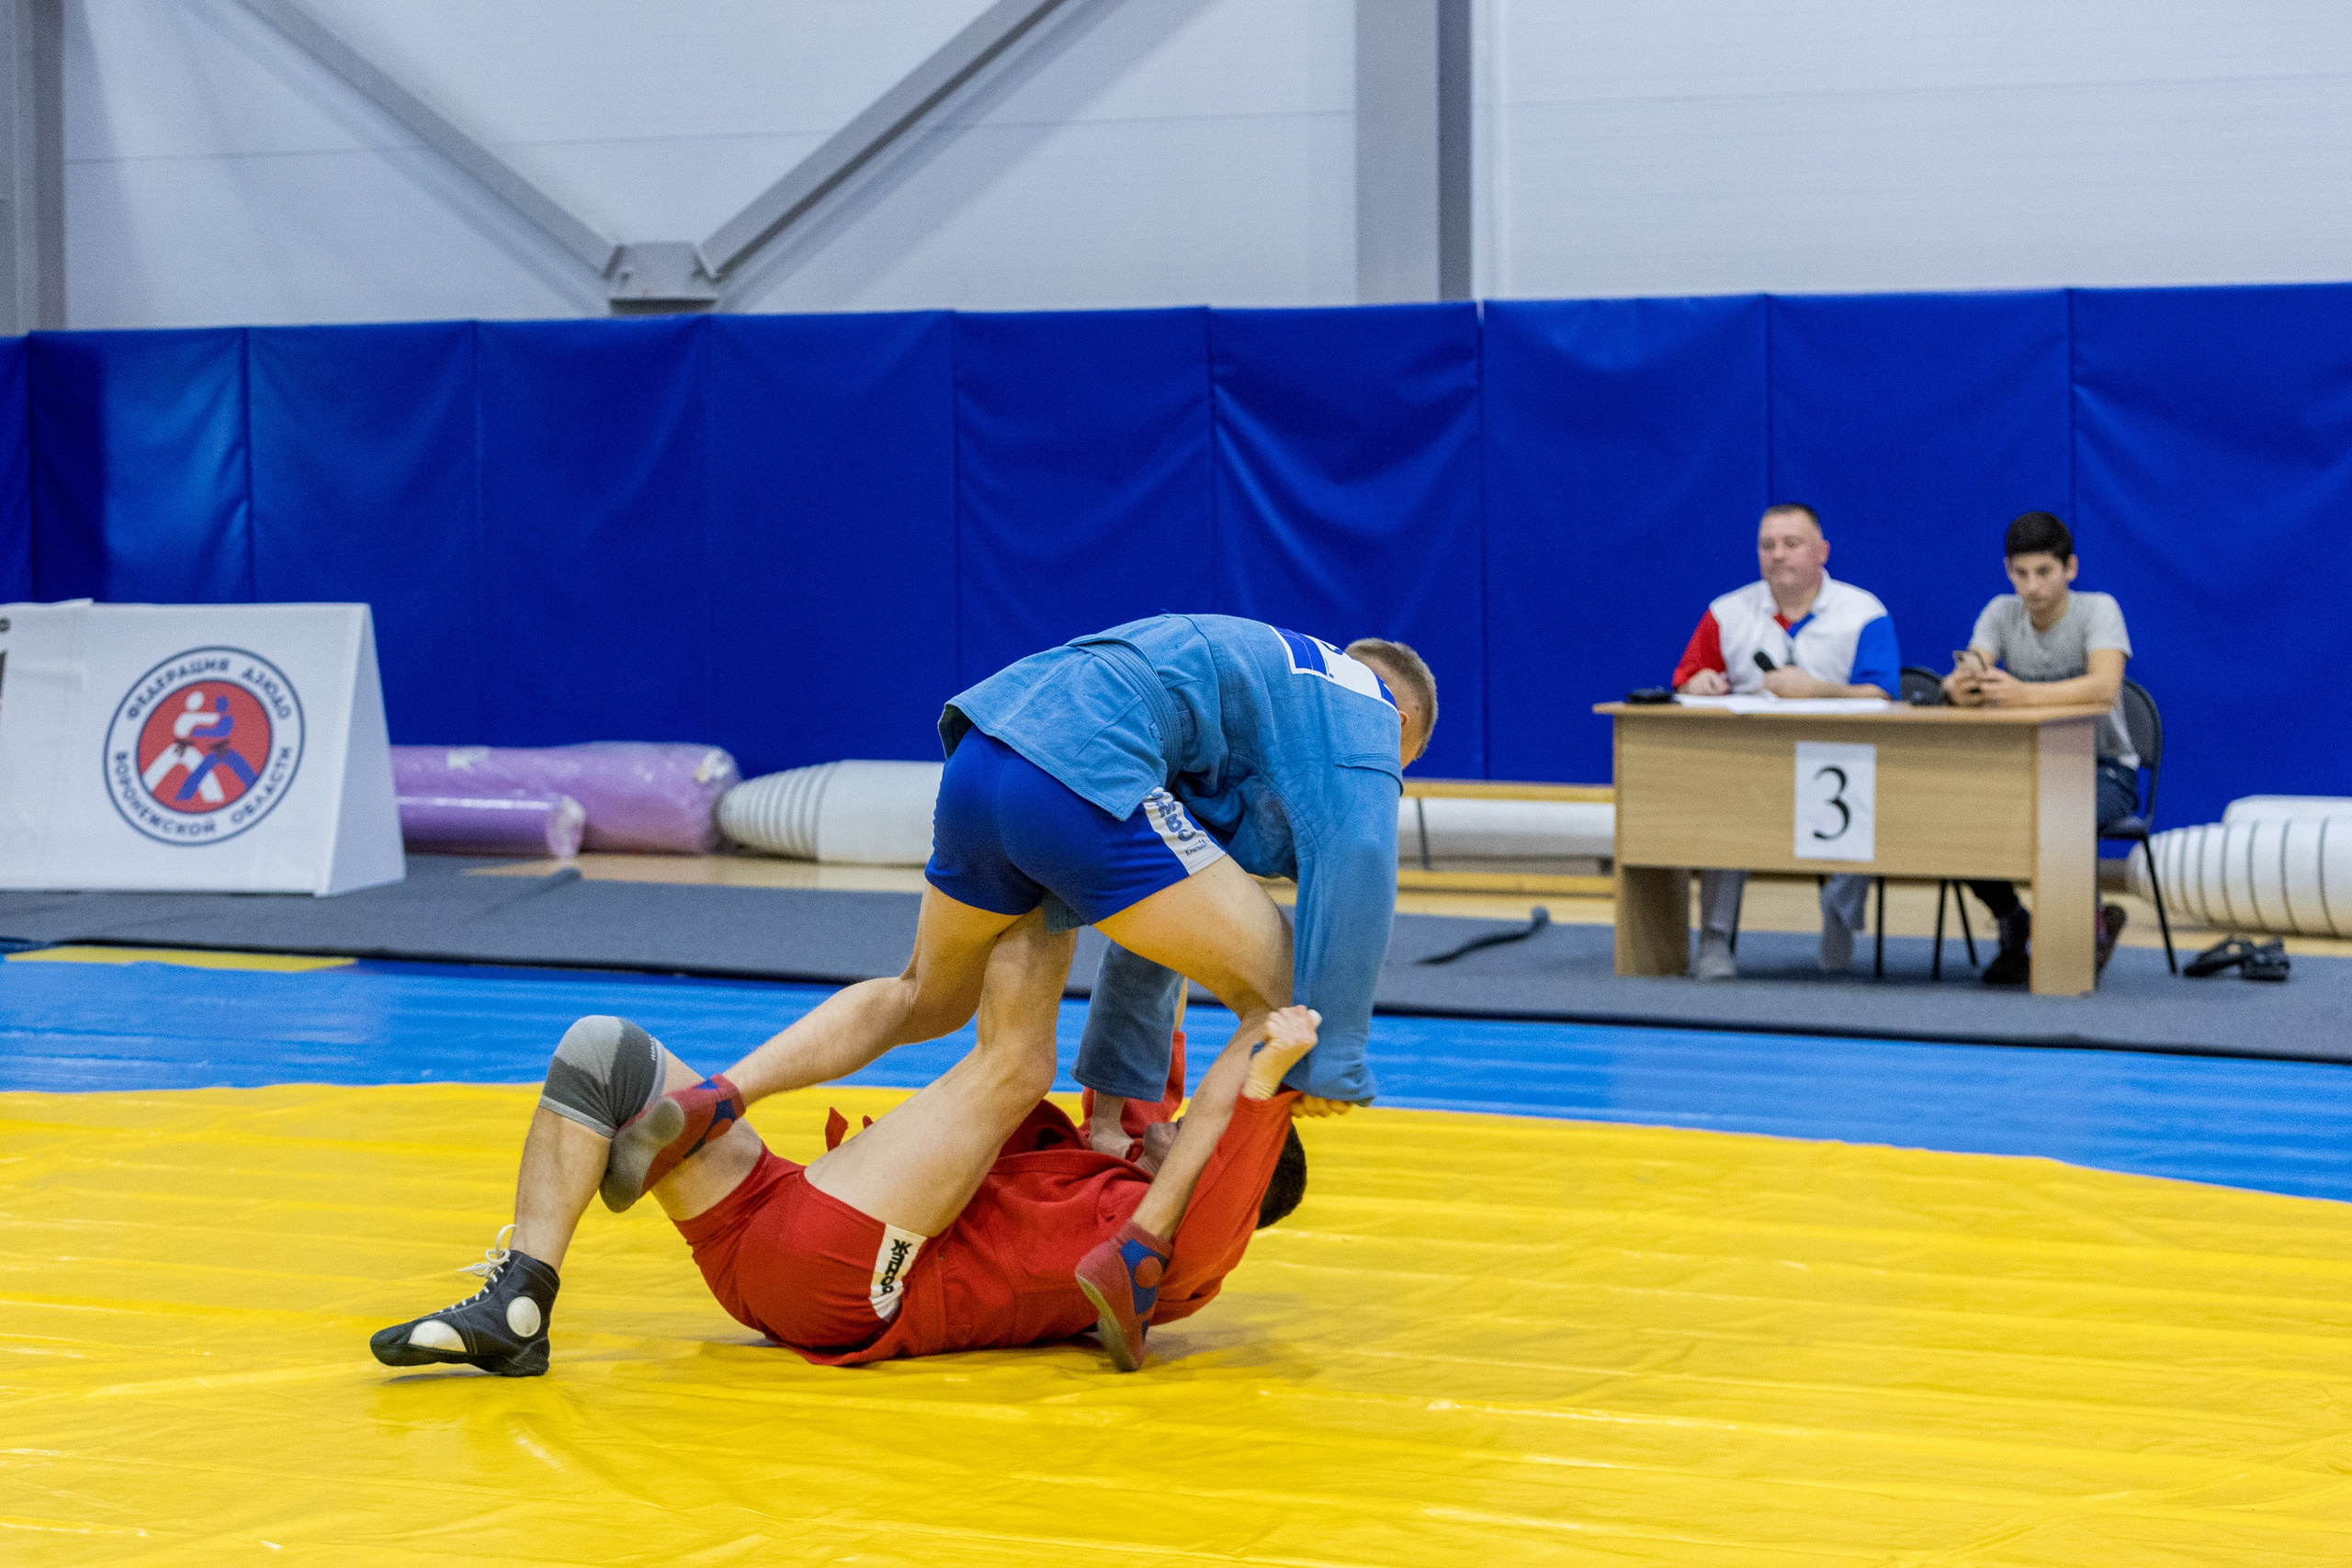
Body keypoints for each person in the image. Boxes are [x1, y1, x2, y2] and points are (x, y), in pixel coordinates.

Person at [597, 615, 1435, 1209]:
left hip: (991, 743)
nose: (1386, 784)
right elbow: (1360, 864)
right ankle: (1147, 1244)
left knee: (925, 995)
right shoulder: (1362, 711)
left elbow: (1162, 932)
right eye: (1399, 767)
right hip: (1081, 777)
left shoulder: (1270, 690)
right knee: (1288, 1005)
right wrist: (1337, 1058)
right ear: (1396, 718)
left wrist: (1111, 1113)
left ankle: (719, 1095)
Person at [370, 913, 1321, 1377]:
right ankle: (521, 1300)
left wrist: (1277, 1067)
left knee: (1016, 1065)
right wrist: (1180, 885)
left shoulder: (1188, 1251)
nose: (1168, 1122)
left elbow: (1231, 1130)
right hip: (770, 1236)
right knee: (602, 1053)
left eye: (1190, 1128)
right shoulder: (1132, 1155)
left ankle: (1046, 858)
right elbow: (1151, 1001)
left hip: (854, 1281)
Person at [1671, 503, 1901, 979]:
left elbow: (1882, 693)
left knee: (1867, 800)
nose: (1777, 555)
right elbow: (1685, 680)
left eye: (1791, 544)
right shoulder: (1726, 612)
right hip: (1750, 765)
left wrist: (1817, 689)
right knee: (1723, 805)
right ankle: (1714, 938)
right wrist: (1699, 684)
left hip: (1840, 765)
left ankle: (1839, 916)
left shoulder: (1863, 612)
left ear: (1822, 552)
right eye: (1767, 545)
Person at [1942, 511, 2135, 984]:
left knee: (2062, 815)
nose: (2033, 586)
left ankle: (2086, 927)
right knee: (1958, 817)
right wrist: (1959, 687)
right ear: (2008, 571)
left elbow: (2104, 686)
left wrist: (2024, 694)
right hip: (2024, 765)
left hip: (2103, 768)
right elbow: (1970, 667)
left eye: (2044, 572)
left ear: (2071, 568)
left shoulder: (2099, 610)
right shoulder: (2000, 612)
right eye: (2021, 573)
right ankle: (2014, 921)